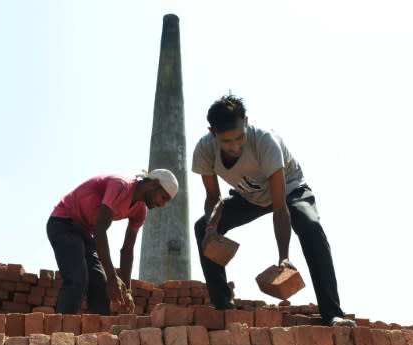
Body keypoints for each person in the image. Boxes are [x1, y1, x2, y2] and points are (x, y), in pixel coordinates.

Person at [192, 94, 355, 327]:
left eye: (239, 137)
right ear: (212, 133)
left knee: (310, 227)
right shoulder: (205, 150)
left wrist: (284, 257)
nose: (235, 146)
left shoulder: (266, 143)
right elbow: (212, 198)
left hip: (288, 190)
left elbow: (280, 208)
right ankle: (223, 306)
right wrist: (211, 229)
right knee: (202, 227)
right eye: (226, 141)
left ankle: (332, 313)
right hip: (249, 196)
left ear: (246, 122)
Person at [47, 169, 178, 315]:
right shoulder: (121, 186)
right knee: (77, 279)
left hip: (85, 233)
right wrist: (112, 276)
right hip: (63, 223)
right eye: (163, 197)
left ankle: (97, 335)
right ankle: (59, 333)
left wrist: (127, 290)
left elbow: (127, 250)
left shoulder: (140, 211)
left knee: (100, 286)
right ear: (154, 184)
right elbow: (100, 230)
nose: (162, 204)